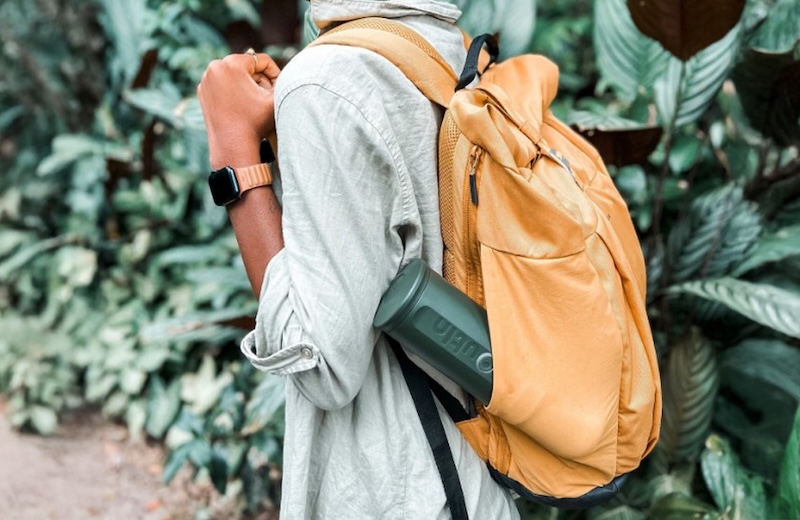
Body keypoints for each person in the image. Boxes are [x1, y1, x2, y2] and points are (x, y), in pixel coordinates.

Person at [198, 1, 520, 518]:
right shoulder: (442, 47)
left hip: (392, 492)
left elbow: (321, 367)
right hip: (473, 482)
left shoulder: (328, 82)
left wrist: (233, 151)